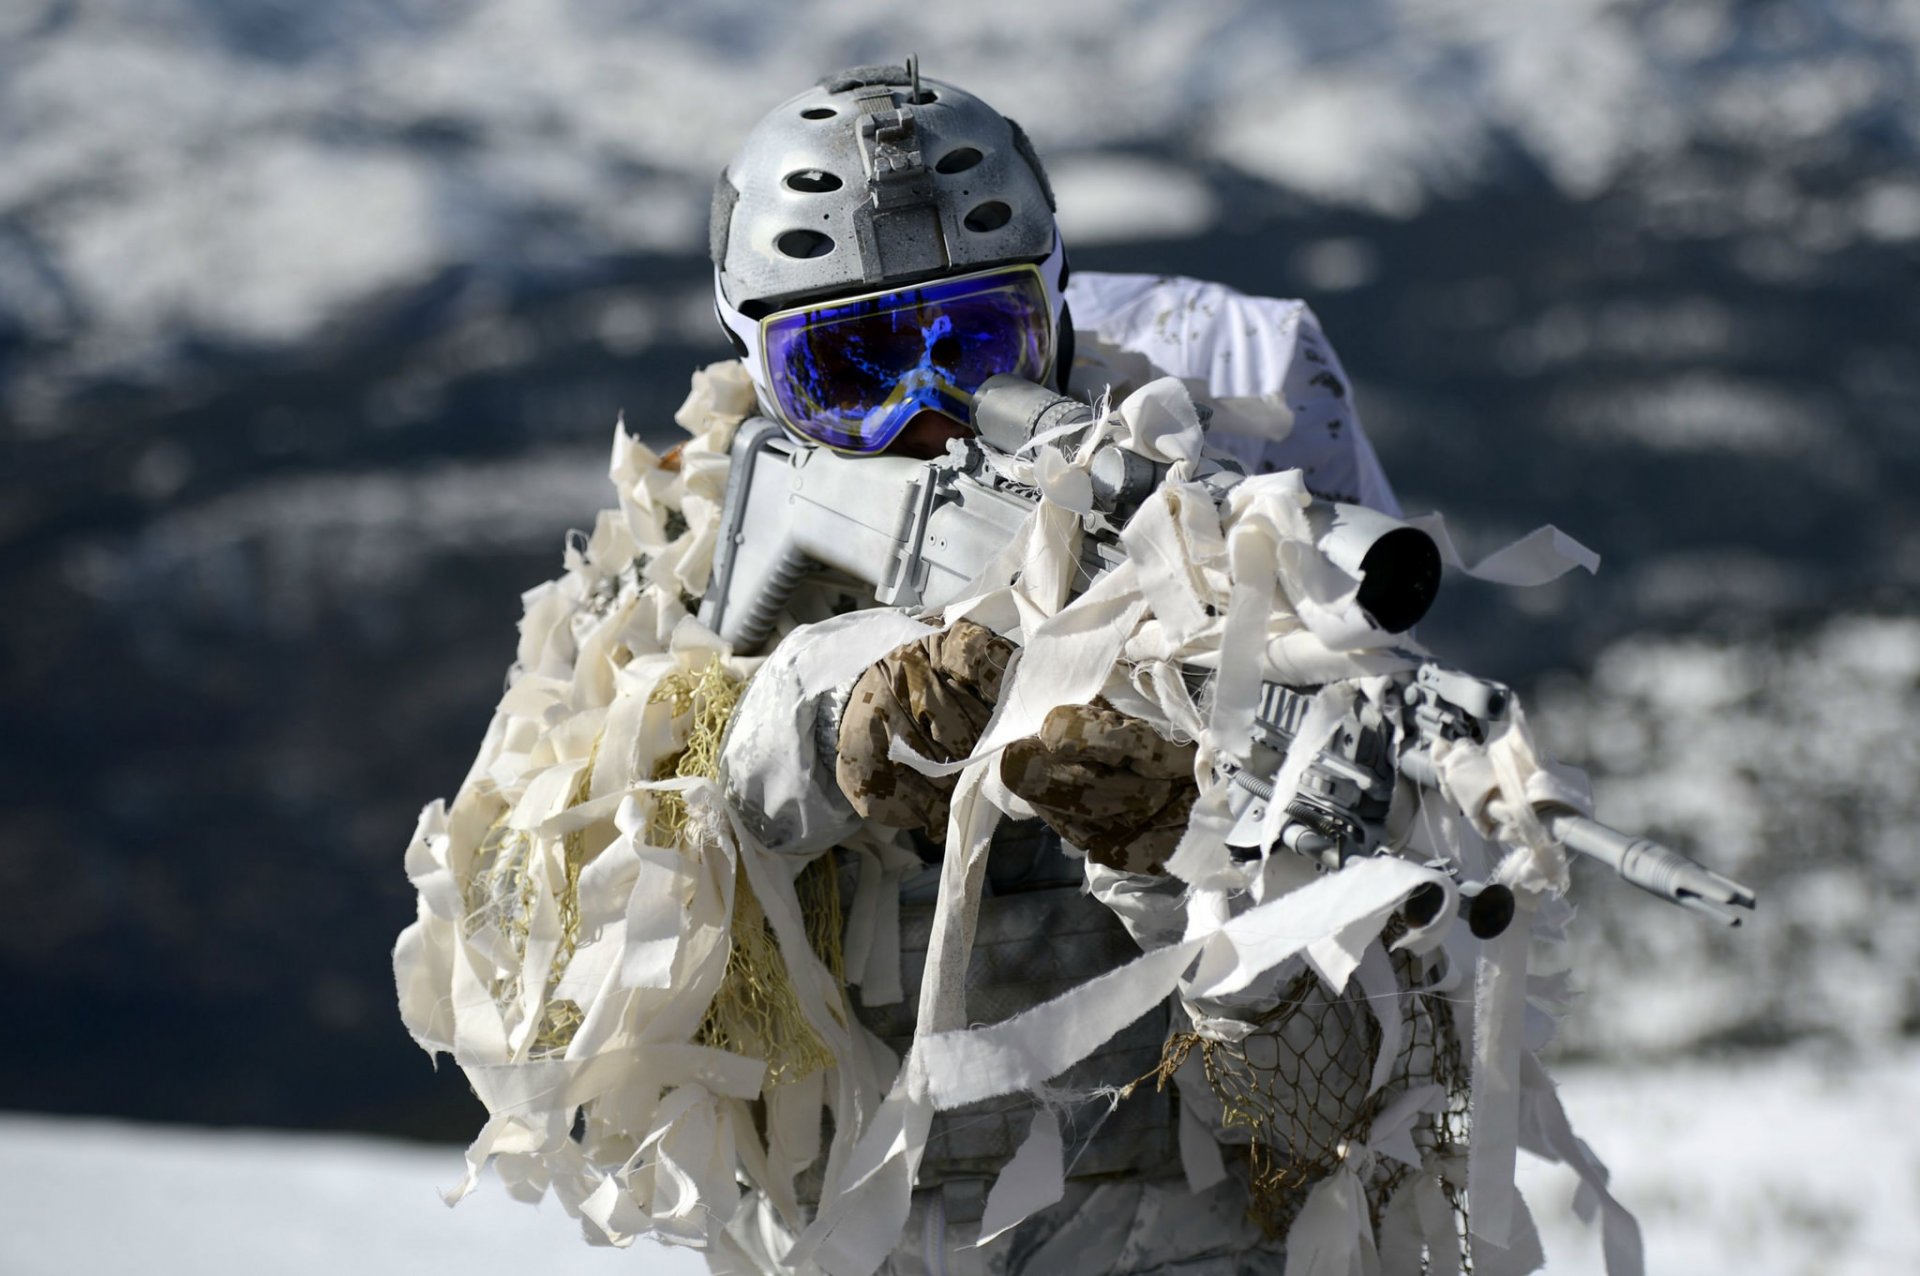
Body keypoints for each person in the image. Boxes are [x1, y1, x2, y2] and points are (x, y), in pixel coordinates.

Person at [397, 61, 1631, 1276]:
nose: (922, 412)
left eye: (978, 345)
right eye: (846, 371)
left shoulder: (1227, 572)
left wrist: (1179, 861)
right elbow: (528, 993)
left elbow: (1342, 1124)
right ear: (760, 370)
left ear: (1053, 319)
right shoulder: (671, 560)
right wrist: (806, 718)